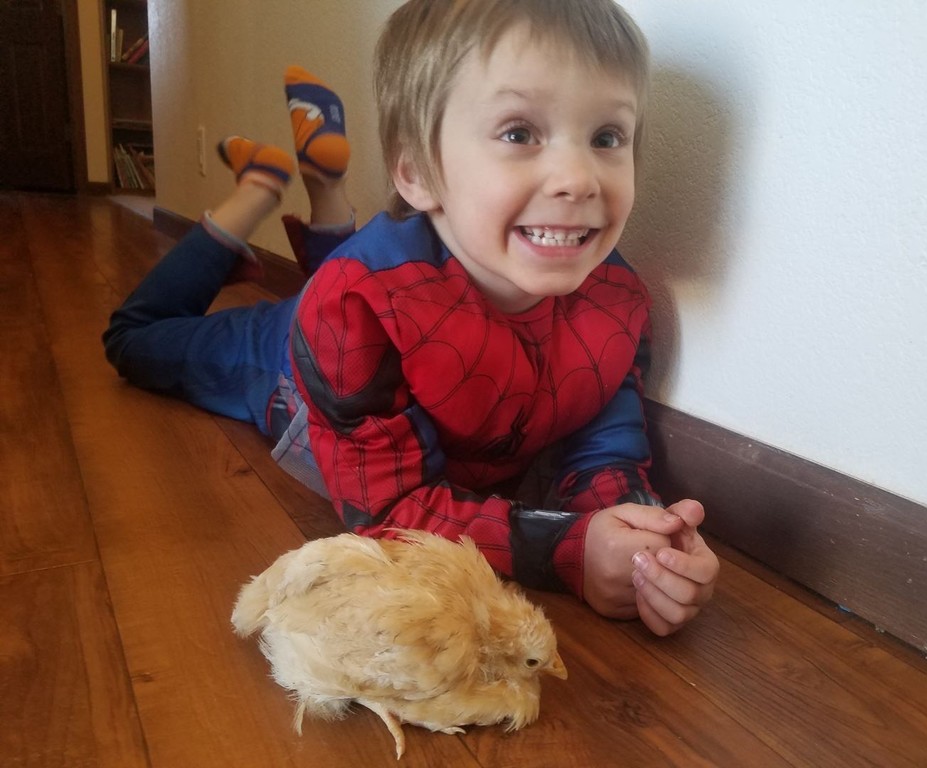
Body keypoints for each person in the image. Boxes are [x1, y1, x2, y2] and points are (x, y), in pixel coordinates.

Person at [103, 0, 719, 637]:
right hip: (292, 362)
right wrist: (565, 550)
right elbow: (387, 507)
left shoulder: (617, 297)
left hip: (377, 305)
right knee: (133, 340)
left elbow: (603, 447)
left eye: (606, 137)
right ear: (417, 173)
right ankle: (254, 193)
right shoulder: (353, 304)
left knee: (362, 277)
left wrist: (647, 544)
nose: (579, 177)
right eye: (519, 133)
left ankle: (327, 194)